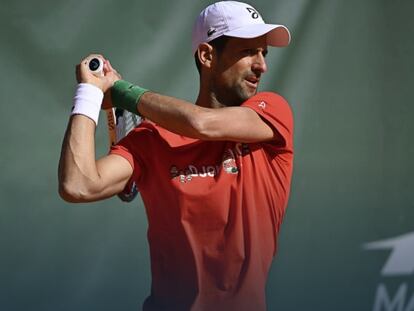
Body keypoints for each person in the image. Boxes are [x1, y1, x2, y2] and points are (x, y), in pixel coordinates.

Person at [58, 1, 294, 310]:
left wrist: (121, 92)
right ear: (207, 55)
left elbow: (201, 124)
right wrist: (90, 94)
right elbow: (78, 185)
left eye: (263, 53)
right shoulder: (151, 141)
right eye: (247, 52)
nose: (262, 65)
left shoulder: (272, 113)